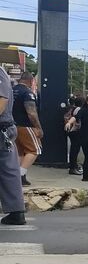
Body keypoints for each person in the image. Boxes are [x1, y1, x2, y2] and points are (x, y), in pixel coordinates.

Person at [0, 66, 26, 225]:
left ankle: (16, 212)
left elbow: (1, 103)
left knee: (8, 170)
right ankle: (16, 211)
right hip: (5, 128)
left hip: (2, 128)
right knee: (8, 171)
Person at [12, 72, 43, 186]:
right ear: (31, 81)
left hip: (12, 125)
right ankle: (21, 175)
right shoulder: (27, 93)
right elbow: (31, 113)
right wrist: (38, 128)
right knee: (35, 150)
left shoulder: (12, 90)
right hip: (25, 125)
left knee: (20, 152)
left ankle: (16, 176)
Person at [66, 95, 88, 182]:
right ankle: (86, 176)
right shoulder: (83, 110)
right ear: (87, 102)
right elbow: (75, 117)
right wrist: (69, 123)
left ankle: (87, 176)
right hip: (85, 136)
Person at [64, 96, 84, 175]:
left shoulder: (73, 108)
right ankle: (73, 167)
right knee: (75, 149)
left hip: (72, 130)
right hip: (76, 130)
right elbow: (77, 119)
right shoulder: (79, 109)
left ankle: (73, 166)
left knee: (74, 149)